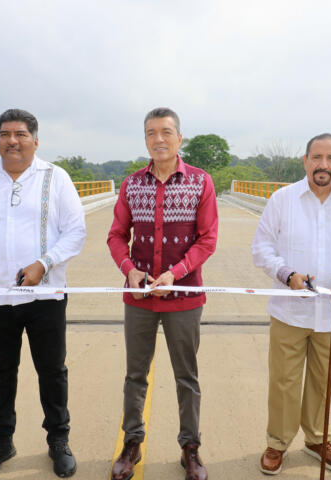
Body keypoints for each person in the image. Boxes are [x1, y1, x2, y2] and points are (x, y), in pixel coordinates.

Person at [0, 109, 86, 479]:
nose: (13, 141)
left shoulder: (56, 178)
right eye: (6, 134)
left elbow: (75, 231)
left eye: (21, 134)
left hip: (45, 297)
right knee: (0, 373)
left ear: (35, 141)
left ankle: (58, 440)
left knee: (52, 371)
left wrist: (45, 262)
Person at [252, 133, 331, 475]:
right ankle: (277, 442)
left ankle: (317, 439)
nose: (323, 165)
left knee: (324, 380)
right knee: (283, 380)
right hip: (289, 309)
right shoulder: (283, 199)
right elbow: (262, 248)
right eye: (317, 157)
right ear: (305, 160)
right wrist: (286, 273)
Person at [107, 107, 218, 480]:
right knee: (135, 374)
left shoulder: (201, 182)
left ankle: (191, 448)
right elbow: (116, 236)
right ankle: (132, 443)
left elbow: (207, 240)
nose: (159, 139)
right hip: (139, 299)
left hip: (184, 298)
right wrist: (129, 270)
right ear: (144, 140)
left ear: (179, 138)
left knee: (187, 376)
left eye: (166, 132)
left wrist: (176, 272)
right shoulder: (131, 184)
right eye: (151, 133)